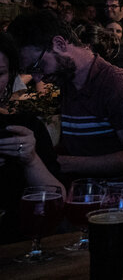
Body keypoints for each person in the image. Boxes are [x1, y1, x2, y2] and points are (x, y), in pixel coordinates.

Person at [6, 11, 123, 179]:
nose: (38, 77)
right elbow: (80, 147)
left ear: (60, 44)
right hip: (86, 193)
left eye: (38, 66)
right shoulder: (68, 81)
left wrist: (63, 163)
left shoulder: (116, 84)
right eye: (30, 71)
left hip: (122, 197)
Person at [0, 32, 64, 243]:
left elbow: (58, 198)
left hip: (16, 245)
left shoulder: (25, 127)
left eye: (0, 73)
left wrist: (31, 160)